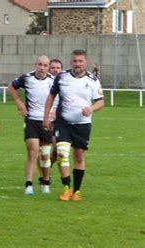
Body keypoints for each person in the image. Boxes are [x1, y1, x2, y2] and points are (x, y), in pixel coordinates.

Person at [43, 49, 104, 201]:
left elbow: (101, 101)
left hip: (82, 124)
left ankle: (77, 191)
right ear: (71, 62)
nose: (77, 64)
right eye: (75, 61)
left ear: (85, 62)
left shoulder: (92, 80)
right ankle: (66, 188)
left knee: (78, 156)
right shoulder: (62, 77)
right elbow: (51, 96)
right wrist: (46, 116)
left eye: (80, 61)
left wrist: (91, 108)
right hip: (62, 123)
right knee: (62, 153)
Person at [8, 55, 55, 195]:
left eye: (45, 65)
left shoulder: (53, 81)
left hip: (46, 121)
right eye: (40, 64)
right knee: (33, 152)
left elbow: (58, 97)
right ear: (36, 64)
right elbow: (11, 87)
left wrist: (53, 113)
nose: (42, 68)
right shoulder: (27, 78)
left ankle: (45, 182)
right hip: (31, 121)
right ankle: (28, 185)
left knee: (45, 155)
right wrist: (19, 103)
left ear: (48, 67)